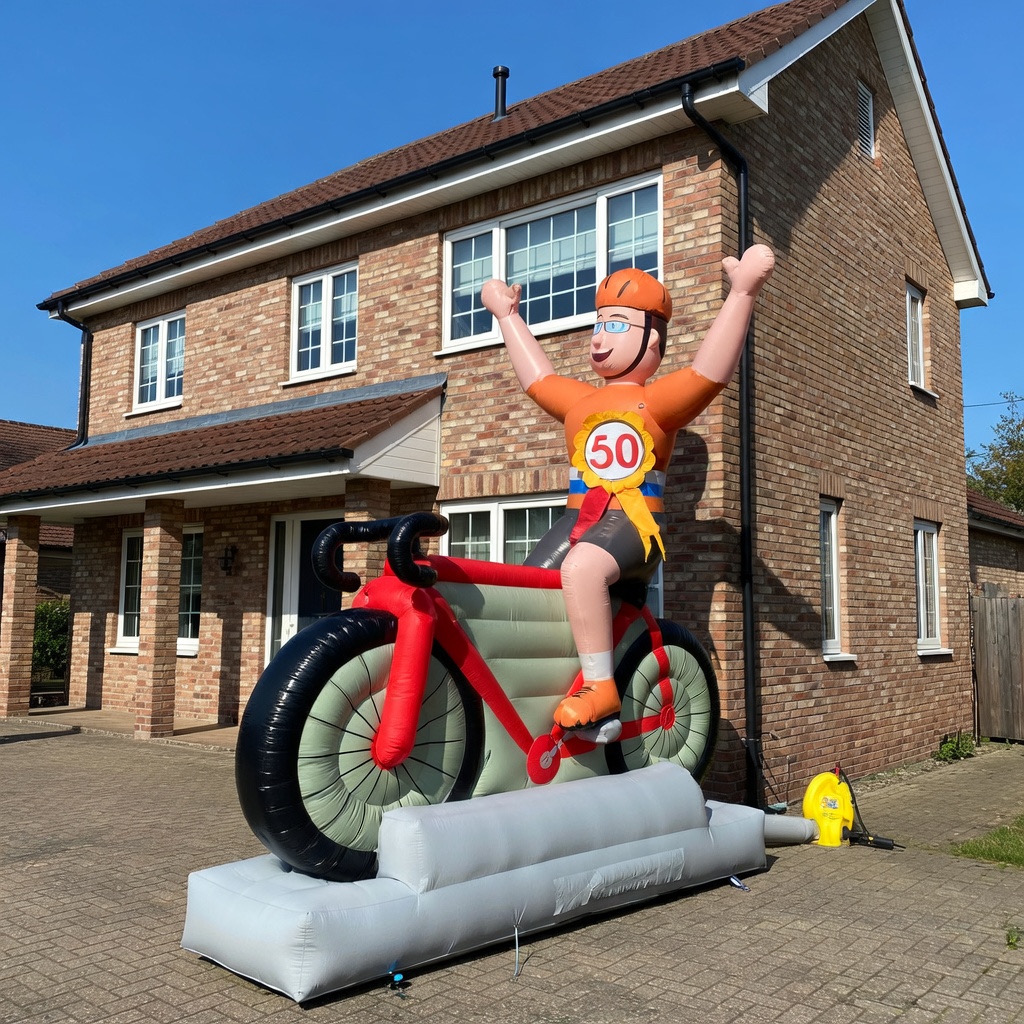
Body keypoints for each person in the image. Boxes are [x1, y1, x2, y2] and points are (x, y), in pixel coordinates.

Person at [480, 244, 775, 735]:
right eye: (599, 324)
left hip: (634, 524)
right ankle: (535, 689)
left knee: (582, 567)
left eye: (616, 325)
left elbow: (709, 373)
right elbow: (538, 378)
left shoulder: (656, 401)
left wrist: (742, 293)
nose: (599, 338)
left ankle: (601, 689)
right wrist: (508, 317)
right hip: (579, 520)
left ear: (652, 339)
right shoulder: (580, 400)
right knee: (526, 589)